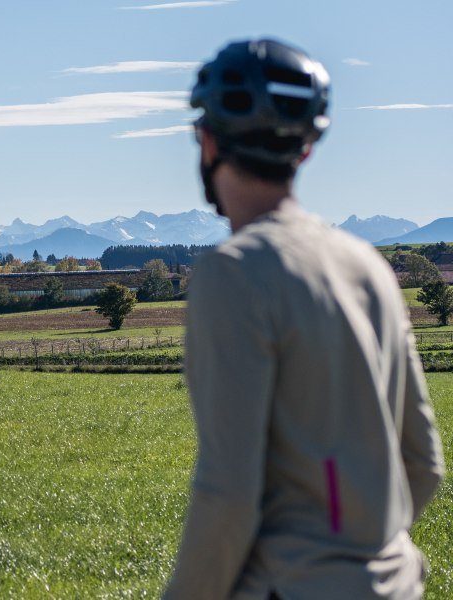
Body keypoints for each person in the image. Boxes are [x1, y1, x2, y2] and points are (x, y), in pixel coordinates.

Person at [164, 39, 445, 599]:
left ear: (209, 140)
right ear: (307, 150)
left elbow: (229, 496)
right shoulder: (367, 266)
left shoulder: (233, 273)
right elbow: (424, 463)